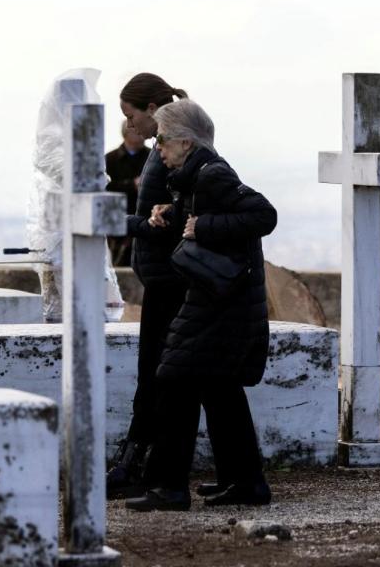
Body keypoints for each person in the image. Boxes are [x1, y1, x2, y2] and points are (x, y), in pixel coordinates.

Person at [125, 98, 277, 511]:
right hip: (220, 301)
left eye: (164, 142)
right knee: (219, 388)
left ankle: (168, 488)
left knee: (173, 380)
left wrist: (202, 225)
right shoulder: (197, 178)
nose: (158, 149)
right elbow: (205, 218)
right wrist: (174, 215)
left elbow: (263, 215)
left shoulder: (213, 174)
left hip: (219, 304)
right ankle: (245, 483)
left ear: (186, 143)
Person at [106, 73, 189, 495]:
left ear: (152, 110)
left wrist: (125, 223)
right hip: (161, 277)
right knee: (152, 372)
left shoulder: (171, 153)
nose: (130, 126)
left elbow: (172, 219)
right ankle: (141, 462)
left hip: (170, 280)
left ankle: (139, 464)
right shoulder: (160, 152)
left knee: (156, 374)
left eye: (132, 115)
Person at [104, 120, 148, 267]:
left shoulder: (154, 156)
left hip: (146, 219)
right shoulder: (108, 159)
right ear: (126, 133)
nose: (140, 133)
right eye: (135, 130)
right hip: (118, 224)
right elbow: (103, 188)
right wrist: (131, 185)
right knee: (119, 264)